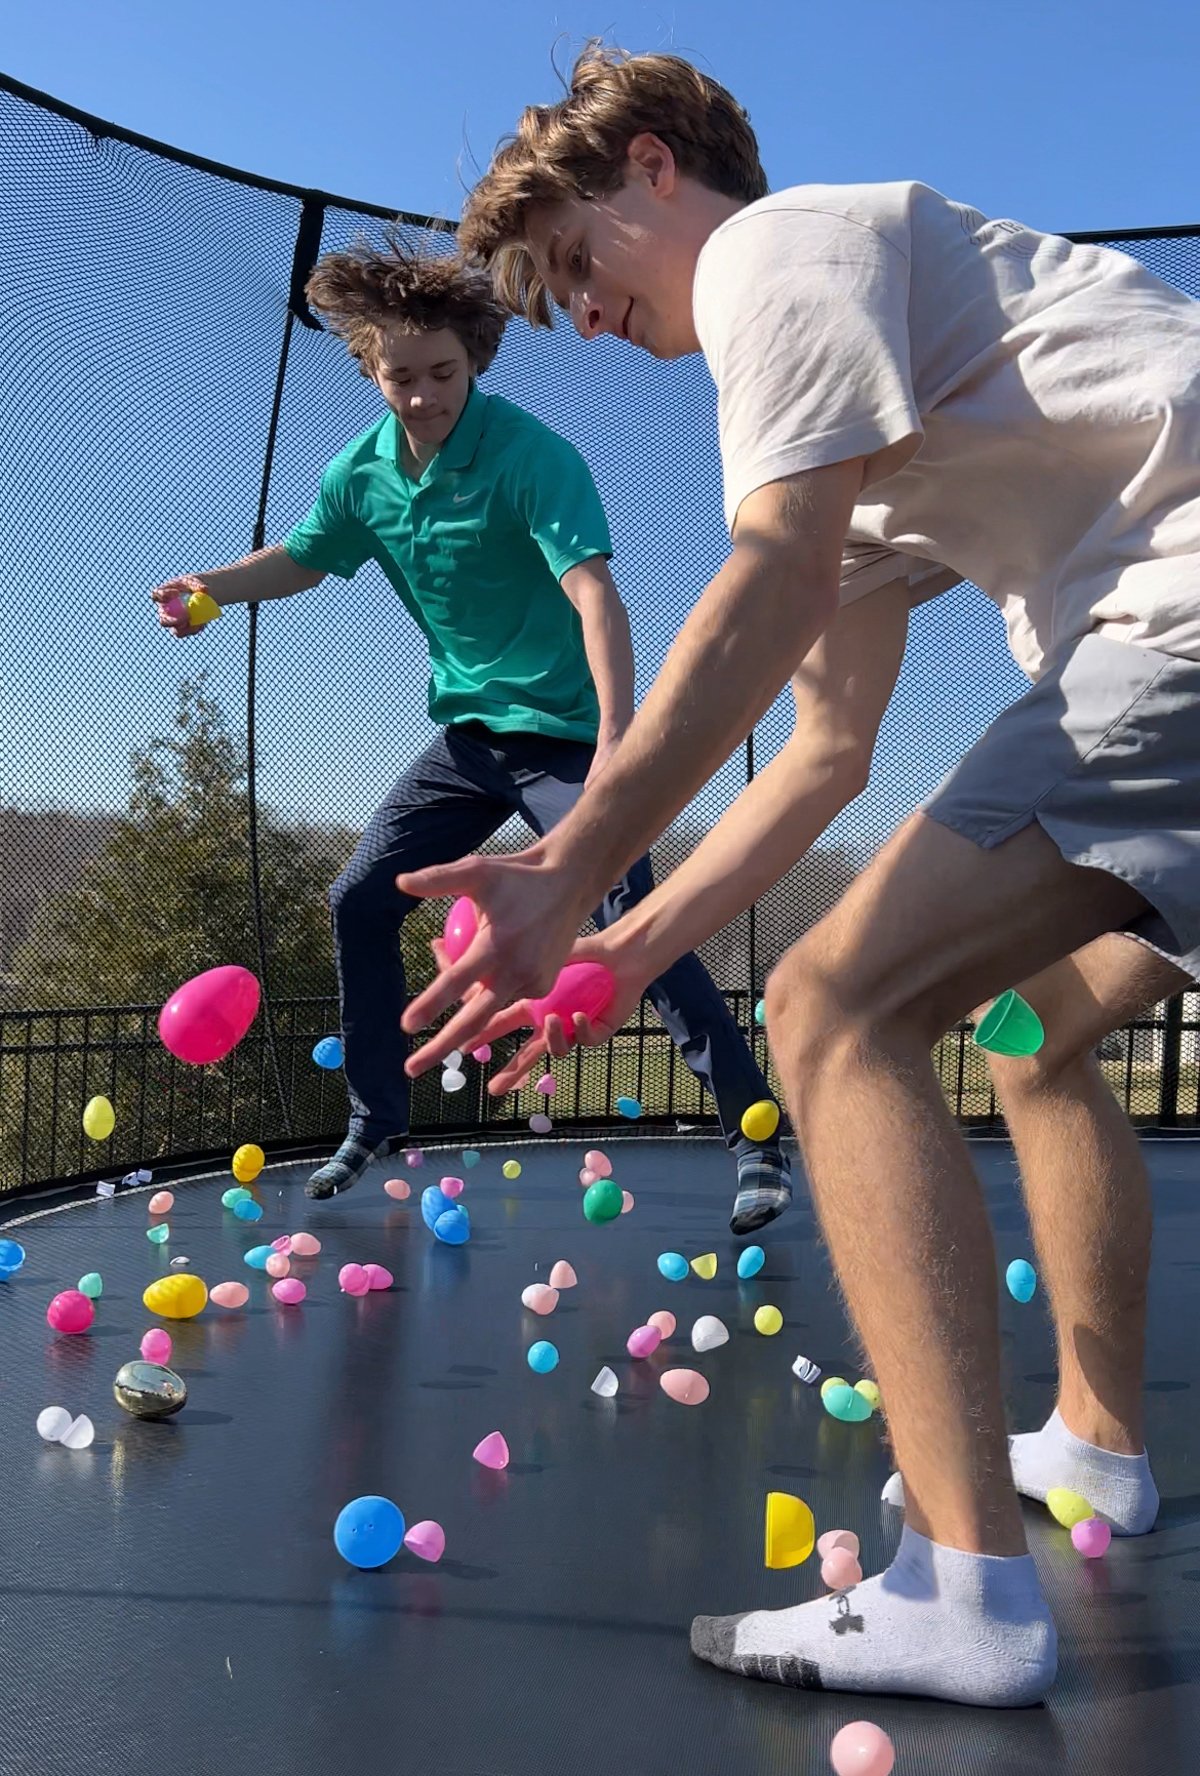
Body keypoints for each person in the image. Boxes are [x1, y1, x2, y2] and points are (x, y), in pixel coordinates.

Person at [393, 46, 1200, 1708]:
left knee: (837, 1012)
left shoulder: (785, 257)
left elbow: (761, 579)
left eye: (576, 265)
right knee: (1038, 1033)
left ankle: (967, 1596)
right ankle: (1100, 1451)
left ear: (659, 170)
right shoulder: (873, 378)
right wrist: (621, 951)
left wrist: (576, 856)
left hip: (1177, 617)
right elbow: (822, 751)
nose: (582, 314)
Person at [149, 237, 788, 1227]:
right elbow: (306, 559)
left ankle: (754, 1131)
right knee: (362, 895)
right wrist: (211, 590)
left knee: (630, 916)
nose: (423, 394)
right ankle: (376, 1116)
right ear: (370, 369)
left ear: (473, 362)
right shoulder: (362, 476)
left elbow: (595, 594)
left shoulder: (533, 457)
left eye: (443, 373)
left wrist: (619, 736)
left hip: (571, 737)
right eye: (401, 376)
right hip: (468, 741)